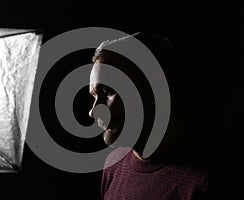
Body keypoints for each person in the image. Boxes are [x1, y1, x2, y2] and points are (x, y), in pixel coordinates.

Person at [88, 34, 210, 200]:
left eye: (107, 92)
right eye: (94, 96)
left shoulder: (203, 179)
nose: (93, 111)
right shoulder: (113, 165)